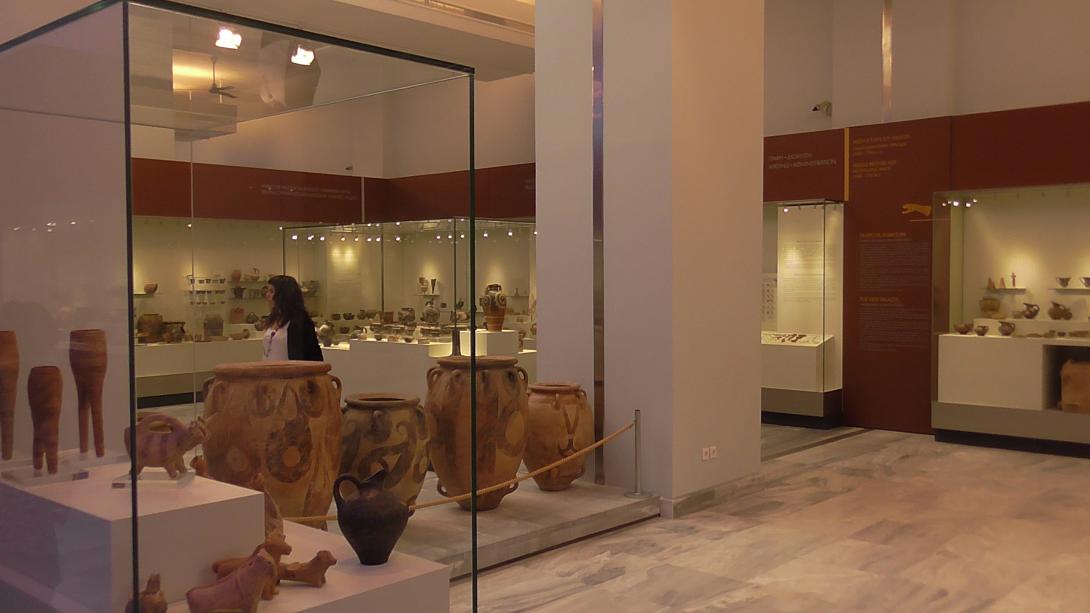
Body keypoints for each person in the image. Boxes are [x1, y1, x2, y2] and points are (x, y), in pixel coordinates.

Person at [261, 275, 322, 361]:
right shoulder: (273, 318)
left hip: (291, 368)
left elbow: (313, 353)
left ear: (283, 295)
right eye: (267, 291)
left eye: (271, 291)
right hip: (269, 368)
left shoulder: (301, 321)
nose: (267, 295)